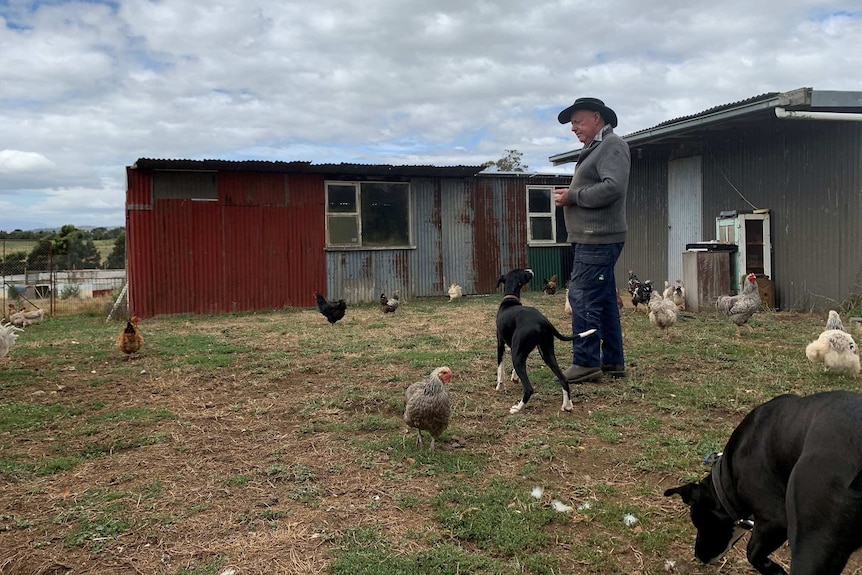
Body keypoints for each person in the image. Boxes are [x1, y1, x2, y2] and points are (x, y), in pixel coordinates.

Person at [553, 97, 629, 383]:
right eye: (572, 123)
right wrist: (572, 193)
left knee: (582, 296)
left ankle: (585, 362)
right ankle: (612, 361)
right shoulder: (596, 147)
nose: (573, 128)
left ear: (597, 118)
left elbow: (613, 187)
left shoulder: (612, 145)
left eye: (577, 121)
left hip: (598, 239)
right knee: (605, 299)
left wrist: (573, 196)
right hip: (594, 237)